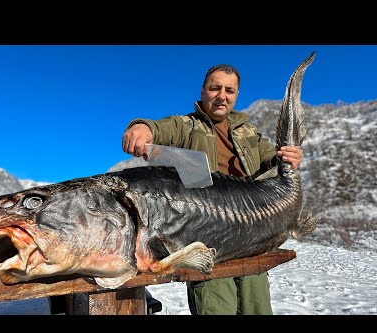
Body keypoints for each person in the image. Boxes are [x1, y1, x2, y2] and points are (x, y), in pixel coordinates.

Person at [121, 63, 302, 315]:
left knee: (257, 307)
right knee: (217, 307)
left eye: (230, 90)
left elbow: (272, 158)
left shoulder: (247, 132)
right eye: (215, 88)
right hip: (208, 241)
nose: (222, 95)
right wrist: (141, 127)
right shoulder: (186, 126)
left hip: (253, 234)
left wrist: (288, 156)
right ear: (204, 91)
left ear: (236, 95)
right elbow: (159, 128)